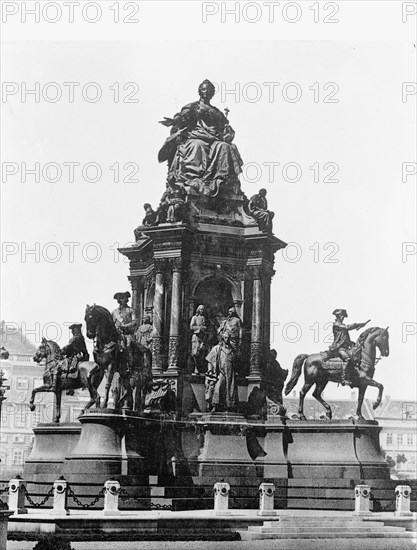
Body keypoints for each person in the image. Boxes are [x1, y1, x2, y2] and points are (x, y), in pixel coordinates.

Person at [158, 79, 243, 198]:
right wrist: (174, 121)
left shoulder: (217, 112)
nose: (206, 92)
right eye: (204, 89)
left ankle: (221, 180)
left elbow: (225, 128)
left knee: (225, 147)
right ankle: (194, 180)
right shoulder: (193, 106)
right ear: (199, 91)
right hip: (196, 136)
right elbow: (183, 116)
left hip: (214, 139)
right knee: (198, 145)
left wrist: (228, 133)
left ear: (212, 93)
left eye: (209, 90)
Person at [325, 309, 370, 386]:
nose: (343, 317)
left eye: (343, 316)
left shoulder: (341, 326)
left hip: (345, 348)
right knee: (347, 359)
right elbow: (347, 327)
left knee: (355, 357)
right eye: (342, 316)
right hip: (339, 348)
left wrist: (352, 343)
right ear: (338, 316)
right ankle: (343, 379)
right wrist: (358, 324)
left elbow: (345, 338)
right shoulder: (337, 324)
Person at [61, 323, 89, 395]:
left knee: (63, 367)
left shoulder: (74, 338)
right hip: (80, 358)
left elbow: (67, 348)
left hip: (73, 357)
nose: (72, 332)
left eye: (73, 330)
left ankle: (68, 387)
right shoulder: (82, 339)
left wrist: (60, 352)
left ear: (76, 330)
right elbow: (85, 352)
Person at [190, 305, 208, 374]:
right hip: (196, 337)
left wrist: (204, 328)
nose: (202, 311)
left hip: (202, 337)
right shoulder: (194, 317)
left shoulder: (203, 318)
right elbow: (191, 327)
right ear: (198, 310)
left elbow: (205, 326)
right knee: (195, 353)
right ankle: (195, 367)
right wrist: (199, 328)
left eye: (203, 310)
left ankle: (200, 368)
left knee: (201, 353)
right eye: (201, 309)